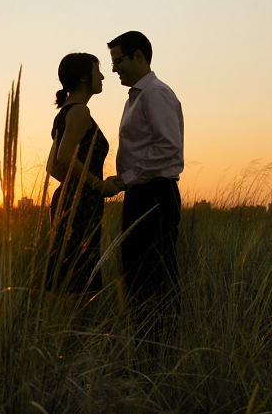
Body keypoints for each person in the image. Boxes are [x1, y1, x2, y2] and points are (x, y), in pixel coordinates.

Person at [104, 31, 184, 345]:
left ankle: (159, 355)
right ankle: (144, 354)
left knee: (155, 278)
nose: (114, 69)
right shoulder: (136, 97)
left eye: (118, 60)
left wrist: (125, 179)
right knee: (137, 277)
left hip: (155, 195)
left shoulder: (155, 93)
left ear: (139, 56)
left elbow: (168, 147)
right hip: (139, 194)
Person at [45, 53, 120, 299]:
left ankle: (62, 335)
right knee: (78, 288)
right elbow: (63, 157)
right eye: (96, 70)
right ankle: (72, 336)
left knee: (67, 284)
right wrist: (98, 186)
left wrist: (74, 187)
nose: (102, 76)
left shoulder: (66, 112)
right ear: (82, 77)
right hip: (80, 208)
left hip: (71, 203)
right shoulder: (79, 112)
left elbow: (52, 168)